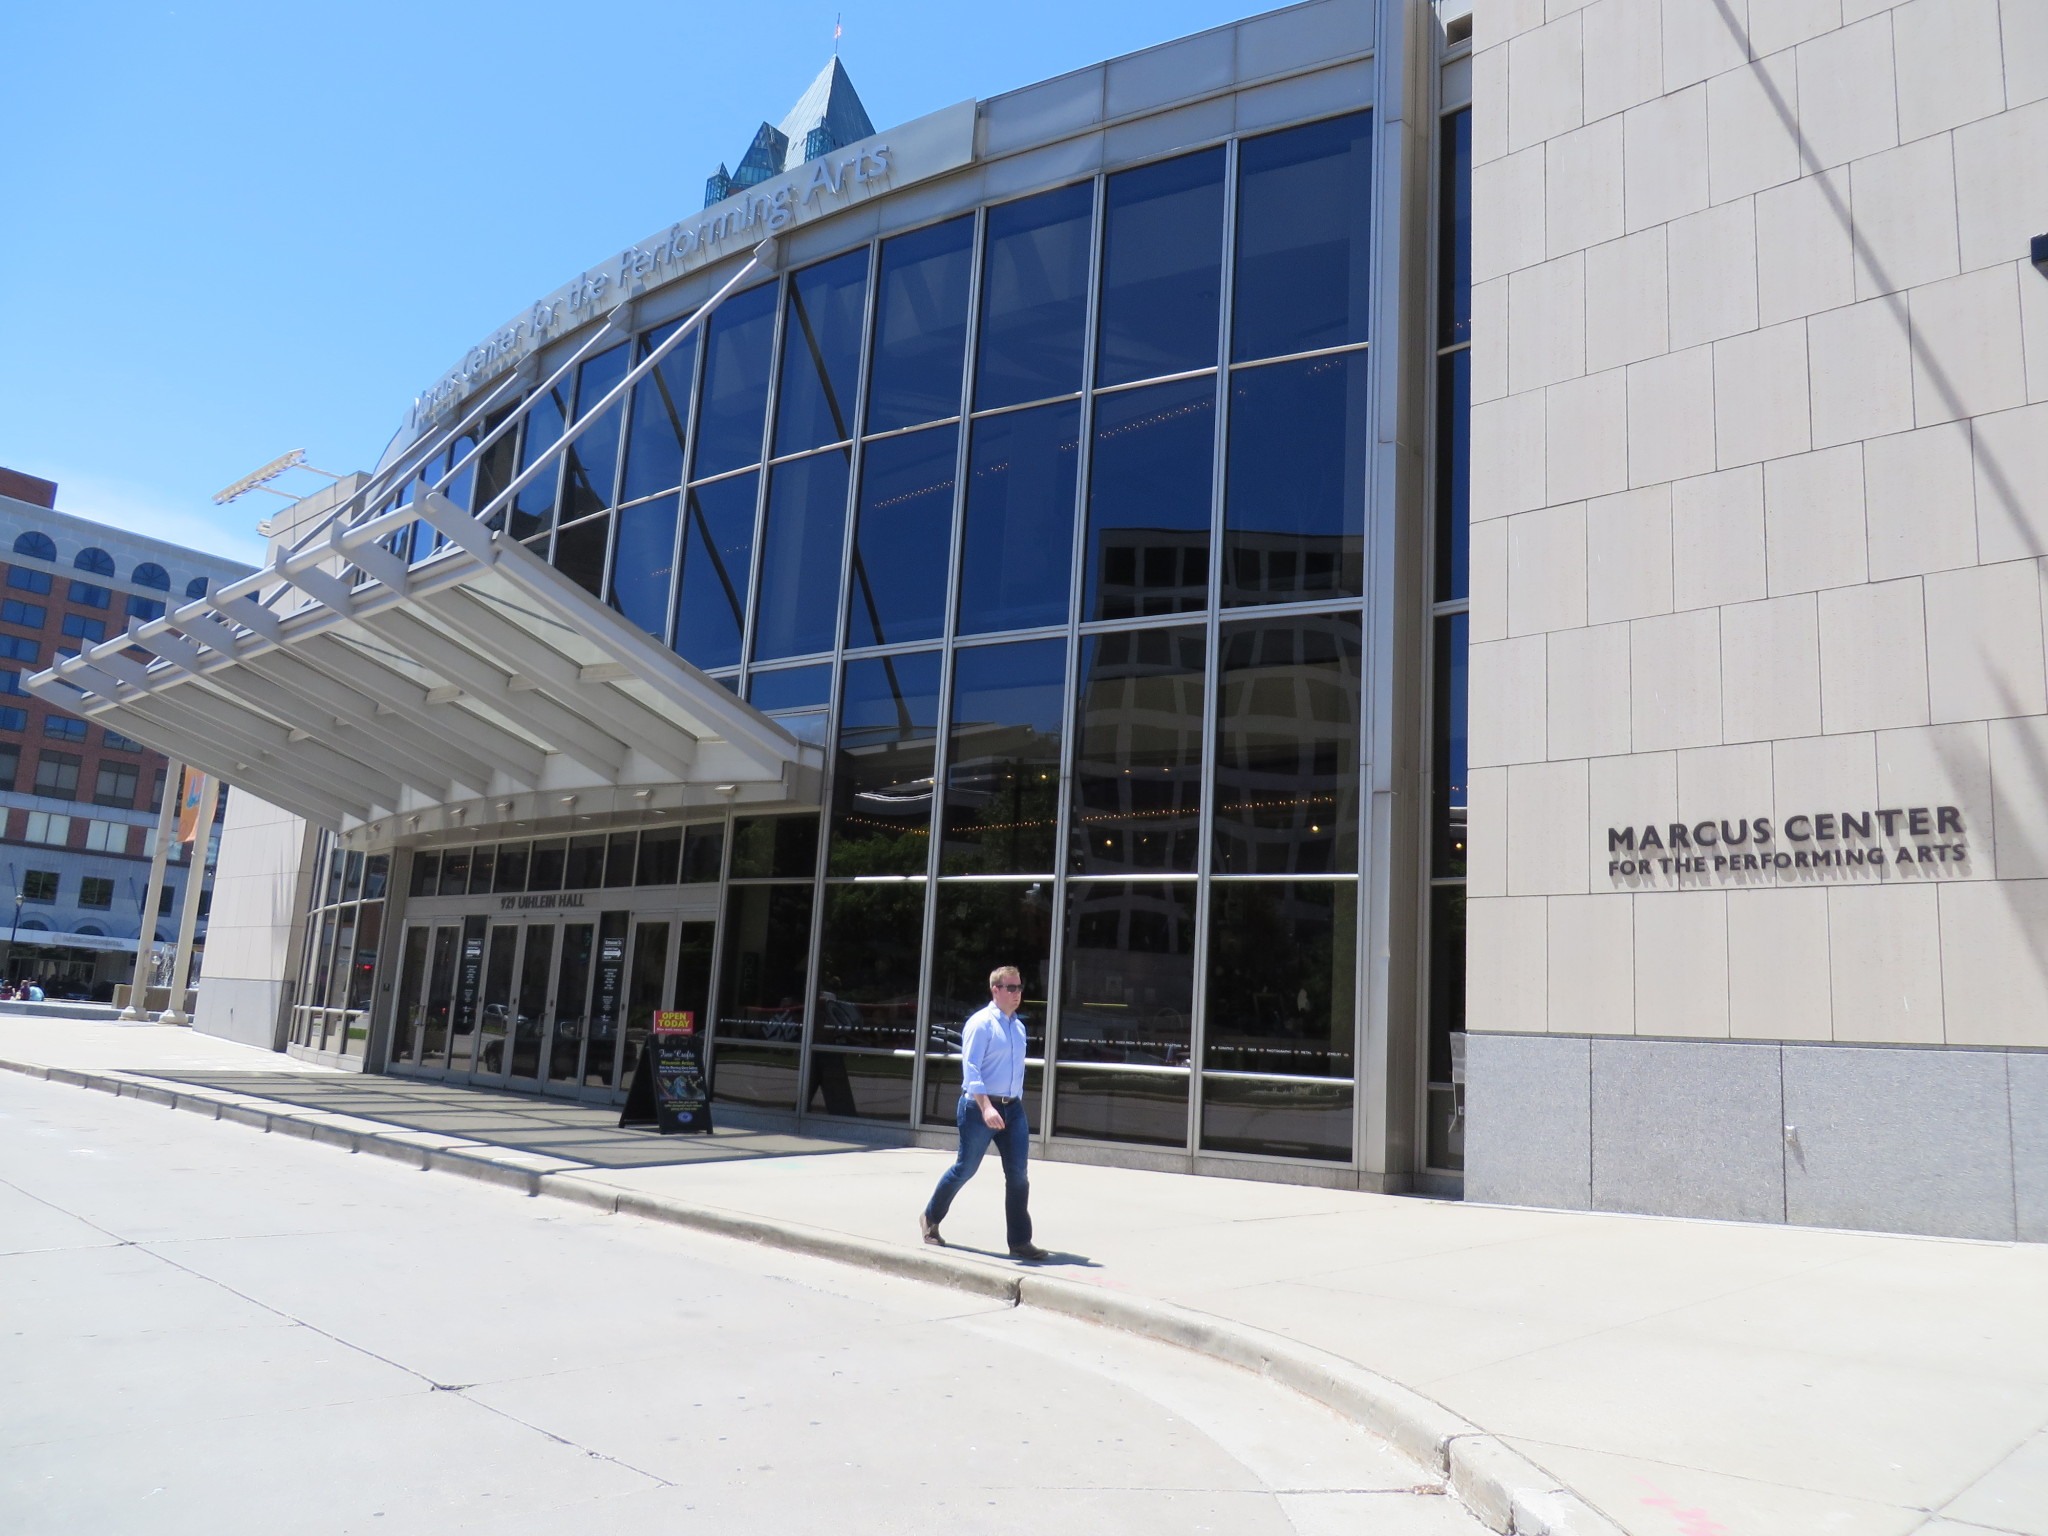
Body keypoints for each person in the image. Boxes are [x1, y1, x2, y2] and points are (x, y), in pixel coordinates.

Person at [920, 965, 1048, 1260]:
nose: (1017, 994)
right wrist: (986, 1105)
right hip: (979, 1108)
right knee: (965, 1168)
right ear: (996, 990)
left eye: (1019, 988)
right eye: (1011, 988)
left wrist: (1010, 1100)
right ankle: (930, 1217)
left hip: (1012, 1109)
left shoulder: (1018, 1026)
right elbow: (971, 1069)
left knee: (1018, 1176)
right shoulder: (981, 1024)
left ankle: (1020, 1241)